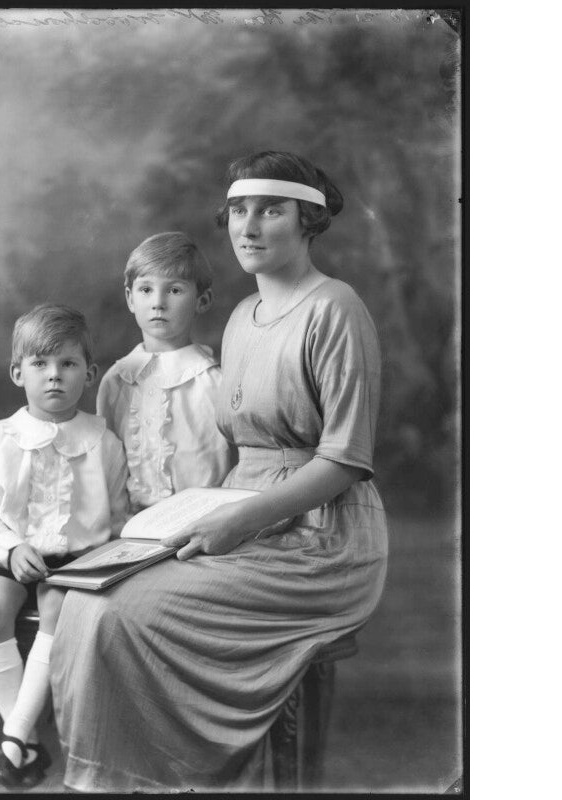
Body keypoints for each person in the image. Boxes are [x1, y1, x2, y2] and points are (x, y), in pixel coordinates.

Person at [49, 151, 389, 791]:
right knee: (85, 598)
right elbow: (234, 445)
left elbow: (346, 459)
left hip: (320, 536)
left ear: (308, 220)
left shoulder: (334, 309)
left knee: (121, 614)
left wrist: (239, 520)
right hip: (239, 510)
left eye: (271, 210)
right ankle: (110, 779)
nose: (250, 226)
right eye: (238, 210)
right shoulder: (238, 319)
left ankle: (156, 776)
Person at [0, 303, 129, 788]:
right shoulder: (3, 442)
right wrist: (10, 548)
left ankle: (12, 739)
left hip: (77, 557)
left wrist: (107, 555)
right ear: (18, 372)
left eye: (68, 364)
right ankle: (28, 739)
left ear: (89, 373)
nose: (54, 376)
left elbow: (116, 517)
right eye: (40, 364)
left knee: (59, 602)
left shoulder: (104, 443)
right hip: (6, 552)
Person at [97, 231, 233, 511]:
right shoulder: (116, 381)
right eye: (146, 290)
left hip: (202, 522)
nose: (158, 302)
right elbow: (105, 464)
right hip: (128, 527)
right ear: (130, 298)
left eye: (174, 290)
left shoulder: (215, 383)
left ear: (202, 300)